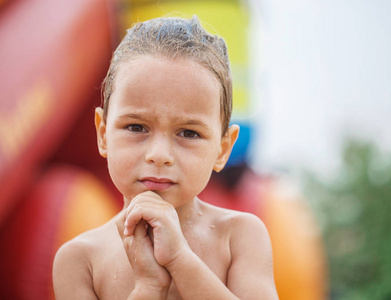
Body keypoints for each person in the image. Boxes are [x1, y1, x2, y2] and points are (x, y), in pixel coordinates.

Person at [52, 16, 278, 300]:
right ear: (103, 134)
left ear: (223, 149)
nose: (159, 155)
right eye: (136, 127)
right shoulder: (81, 259)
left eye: (188, 132)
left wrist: (180, 260)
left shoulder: (239, 237)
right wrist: (148, 287)